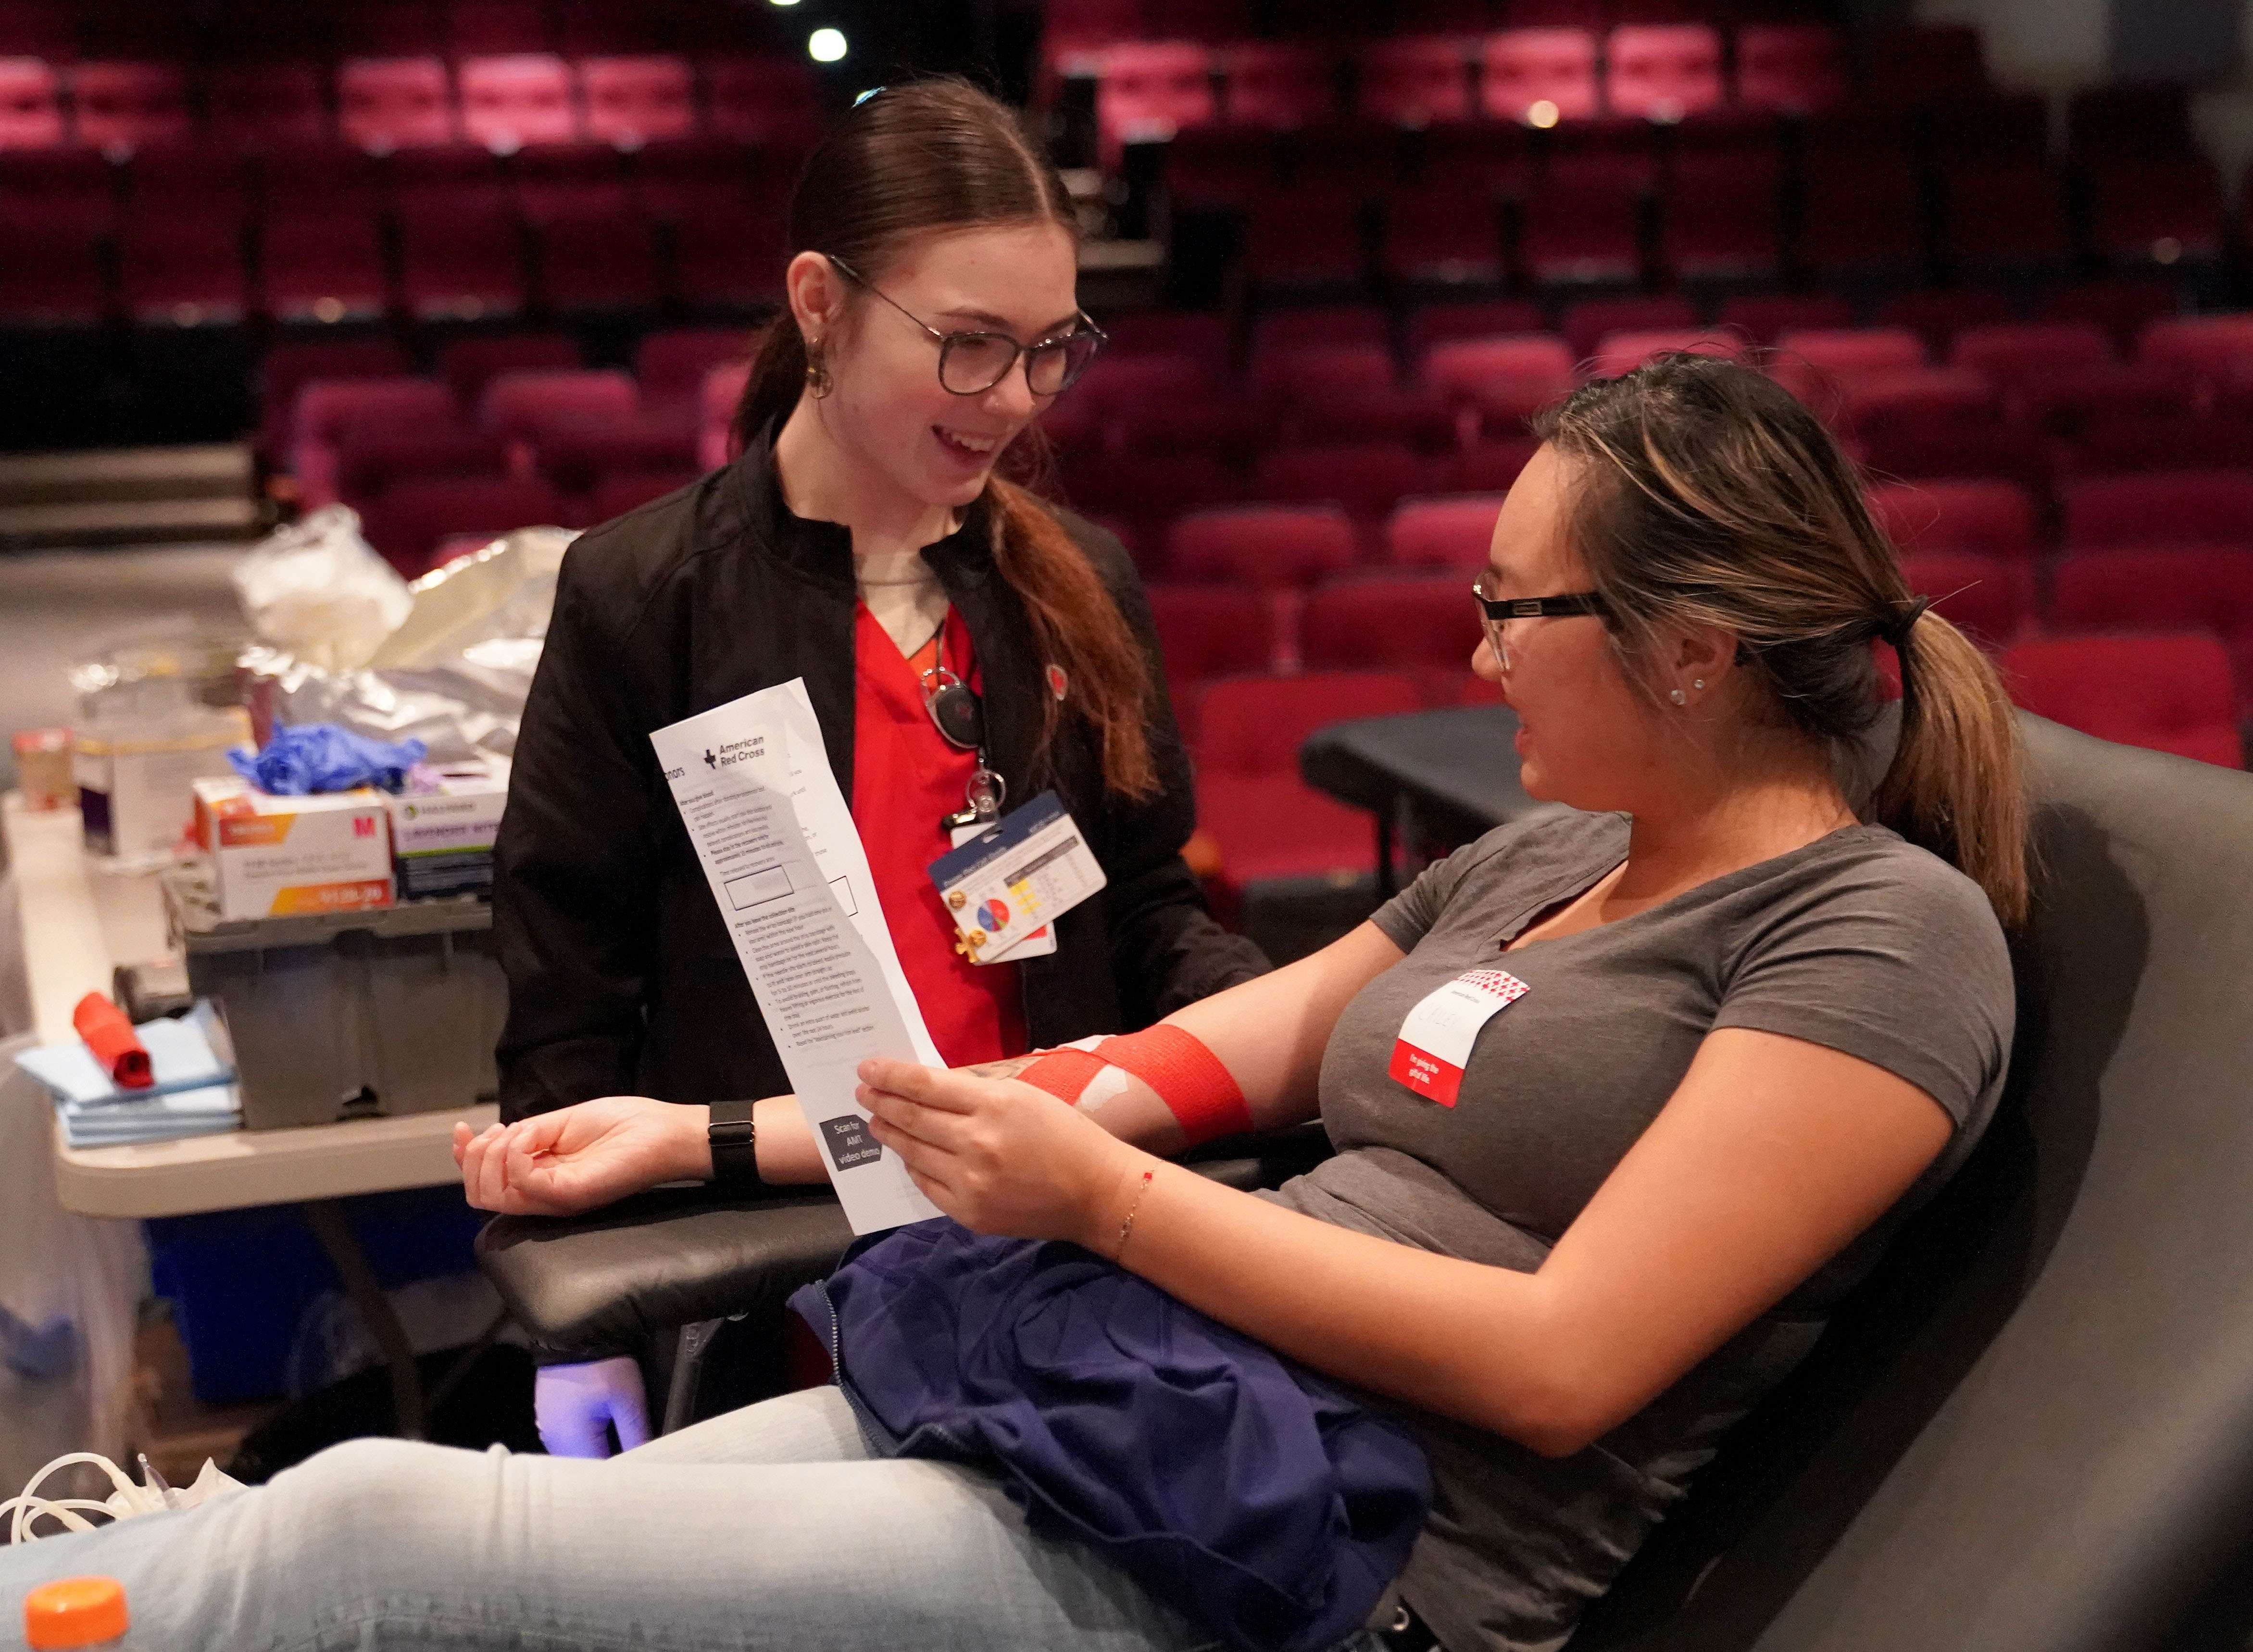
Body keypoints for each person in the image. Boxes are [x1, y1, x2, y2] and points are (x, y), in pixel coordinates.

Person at [2, 352, 2026, 1652]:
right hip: (1131, 1416)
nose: (1473, 645)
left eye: (1513, 604)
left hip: (1302, 1555)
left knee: (357, 1543)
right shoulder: (1539, 859)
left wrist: (1114, 1205)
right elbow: (1145, 1069)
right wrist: (710, 1138)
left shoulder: (1874, 934)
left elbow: (1562, 1367)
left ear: (1685, 650)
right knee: (367, 1544)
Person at [480, 79, 1266, 1455]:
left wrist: (1285, 1041)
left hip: (1057, 1232)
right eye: (968, 346)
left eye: (1048, 349)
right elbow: (570, 989)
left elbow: (1145, 904)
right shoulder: (646, 593)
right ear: (819, 306)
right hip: (777, 1254)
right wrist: (581, 1332)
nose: (1014, 402)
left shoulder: (1073, 581)